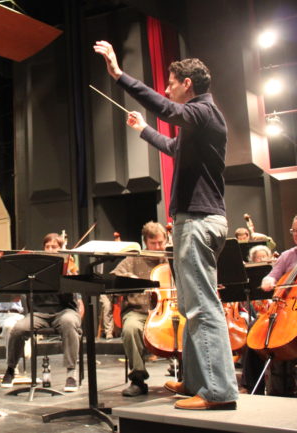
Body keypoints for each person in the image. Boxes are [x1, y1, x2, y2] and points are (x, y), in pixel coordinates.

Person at [94, 41, 238, 410]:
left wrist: (119, 76)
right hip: (198, 220)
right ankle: (195, 382)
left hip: (199, 220)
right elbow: (174, 148)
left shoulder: (203, 111)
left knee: (202, 307)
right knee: (191, 305)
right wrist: (143, 128)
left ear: (187, 84)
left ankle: (218, 391)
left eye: (171, 83)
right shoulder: (201, 120)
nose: (167, 89)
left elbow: (167, 110)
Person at [1, 233, 83, 392]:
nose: (50, 250)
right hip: (40, 314)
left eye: (54, 247)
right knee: (18, 329)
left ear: (60, 249)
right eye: (47, 247)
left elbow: (76, 297)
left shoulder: (68, 266)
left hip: (65, 311)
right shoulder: (37, 268)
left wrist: (70, 277)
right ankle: (11, 369)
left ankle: (71, 373)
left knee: (69, 322)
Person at [111, 222, 168, 397]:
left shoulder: (170, 260)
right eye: (153, 243)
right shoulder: (133, 260)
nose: (158, 247)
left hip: (165, 312)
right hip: (138, 312)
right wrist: (131, 278)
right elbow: (115, 275)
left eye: (160, 243)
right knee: (130, 329)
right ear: (145, 242)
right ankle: (138, 379)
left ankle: (186, 378)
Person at [259, 211, 297, 397]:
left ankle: (289, 387)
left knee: (287, 336)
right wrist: (268, 280)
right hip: (287, 309)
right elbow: (272, 275)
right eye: (293, 230)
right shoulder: (288, 255)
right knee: (265, 336)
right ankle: (277, 390)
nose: (296, 234)